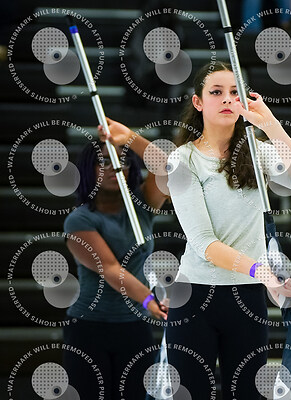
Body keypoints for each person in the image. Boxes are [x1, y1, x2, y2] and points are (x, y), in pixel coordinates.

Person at [103, 61, 291, 399]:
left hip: (248, 297)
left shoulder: (258, 153)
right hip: (195, 297)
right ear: (198, 102)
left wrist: (270, 124)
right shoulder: (184, 160)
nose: (227, 99)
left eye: (234, 92)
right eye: (216, 92)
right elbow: (205, 243)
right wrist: (262, 271)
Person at [63, 139, 168, 399]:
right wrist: (149, 300)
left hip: (135, 326)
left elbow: (166, 169)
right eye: (104, 161)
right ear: (89, 168)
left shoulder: (141, 206)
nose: (115, 167)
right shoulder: (79, 220)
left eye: (123, 161)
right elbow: (110, 269)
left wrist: (127, 136)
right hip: (89, 328)